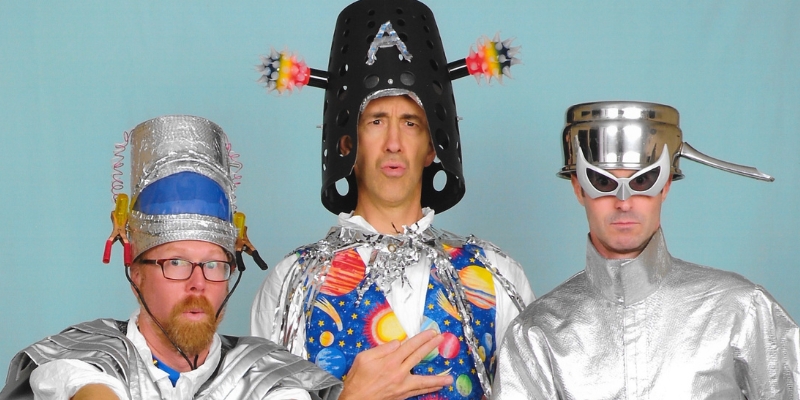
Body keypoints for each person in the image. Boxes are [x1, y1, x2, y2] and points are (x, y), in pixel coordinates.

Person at [250, 1, 534, 399]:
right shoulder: (292, 285)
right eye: (377, 121)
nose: (394, 144)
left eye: (411, 122)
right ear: (347, 142)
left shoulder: (496, 276)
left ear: (433, 146)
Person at [0, 115, 342, 400]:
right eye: (176, 262)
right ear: (136, 274)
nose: (198, 284)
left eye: (213, 265)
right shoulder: (86, 358)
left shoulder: (269, 375)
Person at [493, 101, 800, 398]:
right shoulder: (537, 334)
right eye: (602, 181)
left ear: (665, 185)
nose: (623, 201)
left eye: (643, 182)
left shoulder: (741, 311)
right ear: (578, 187)